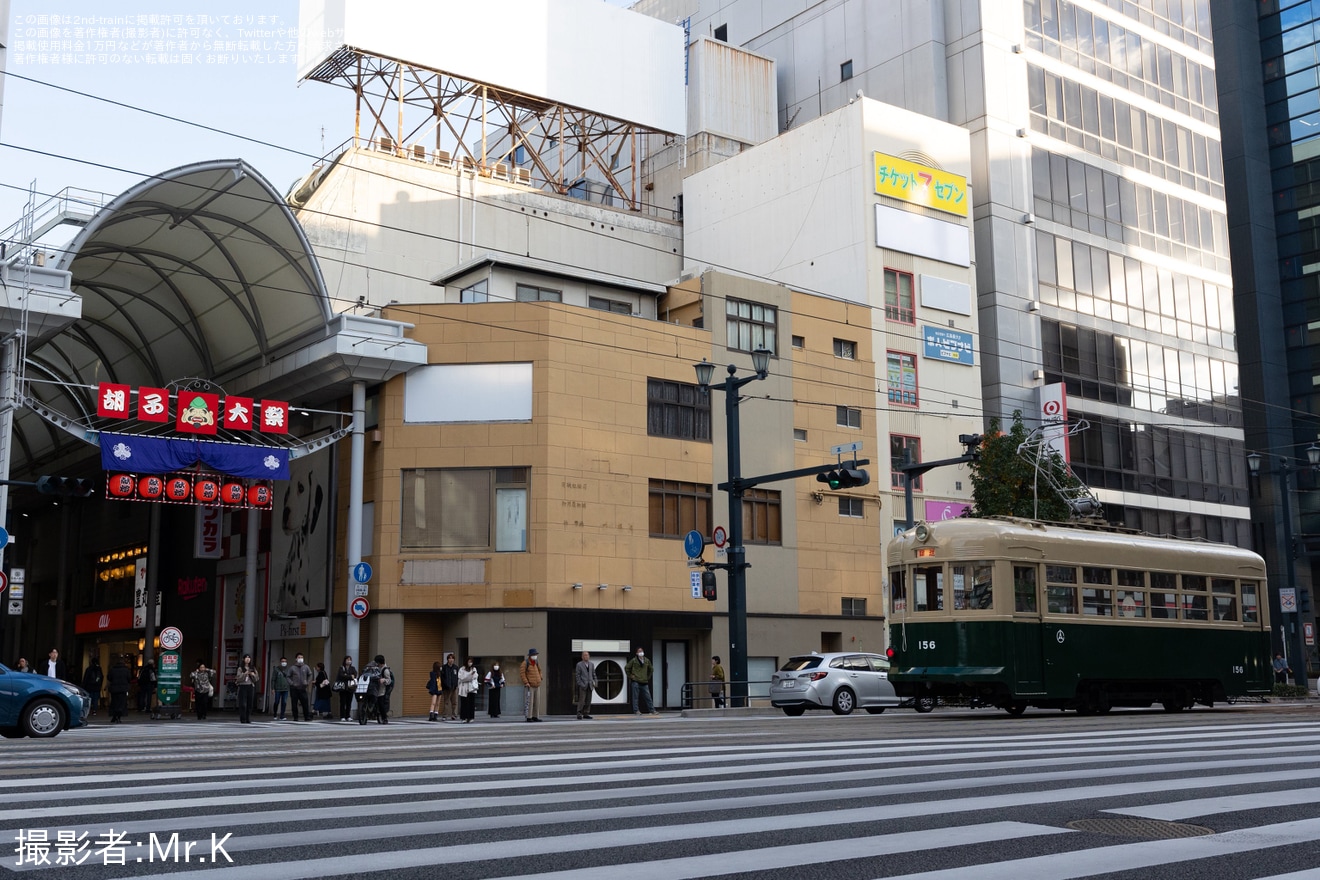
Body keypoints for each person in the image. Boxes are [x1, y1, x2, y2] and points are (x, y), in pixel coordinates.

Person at [625, 646, 655, 715]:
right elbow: (627, 668)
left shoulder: (646, 660)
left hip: (644, 681)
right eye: (639, 651)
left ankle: (652, 710)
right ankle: (636, 710)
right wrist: (630, 676)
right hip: (636, 681)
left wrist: (648, 677)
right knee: (635, 697)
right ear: (636, 653)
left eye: (641, 651)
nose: (641, 652)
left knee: (648, 697)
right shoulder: (633, 660)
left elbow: (651, 669)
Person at [286, 653, 315, 722]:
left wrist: (307, 682)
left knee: (305, 703)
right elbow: (288, 676)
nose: (300, 659)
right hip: (294, 688)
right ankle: (295, 717)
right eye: (299, 657)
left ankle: (306, 716)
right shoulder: (292, 668)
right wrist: (292, 683)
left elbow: (310, 674)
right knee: (294, 703)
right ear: (296, 659)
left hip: (303, 688)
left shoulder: (306, 667)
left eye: (301, 657)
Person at [234, 654, 259, 724]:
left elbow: (257, 678)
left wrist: (253, 675)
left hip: (250, 686)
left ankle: (248, 718)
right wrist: (245, 674)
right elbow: (238, 678)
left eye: (249, 658)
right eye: (246, 658)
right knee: (243, 704)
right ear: (243, 659)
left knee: (250, 703)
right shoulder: (240, 668)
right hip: (243, 686)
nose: (248, 659)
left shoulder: (253, 668)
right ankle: (243, 718)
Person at [520, 648, 543, 722]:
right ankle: (529, 716)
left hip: (537, 684)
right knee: (530, 701)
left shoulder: (536, 662)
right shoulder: (525, 663)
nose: (535, 656)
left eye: (536, 654)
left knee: (537, 701)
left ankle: (535, 716)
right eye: (534, 655)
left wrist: (540, 677)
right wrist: (526, 682)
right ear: (530, 655)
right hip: (530, 685)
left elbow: (540, 670)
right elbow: (522, 673)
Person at [107, 655, 132, 723]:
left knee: (114, 702)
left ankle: (114, 716)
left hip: (114, 689)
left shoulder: (113, 669)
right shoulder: (126, 670)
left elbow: (109, 678)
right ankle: (119, 716)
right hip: (123, 689)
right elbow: (129, 678)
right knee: (122, 702)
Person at [371, 654, 394, 724]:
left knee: (381, 704)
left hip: (382, 690)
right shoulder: (376, 667)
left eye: (377, 662)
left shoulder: (385, 670)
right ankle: (375, 714)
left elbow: (389, 680)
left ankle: (384, 718)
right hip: (376, 688)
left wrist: (383, 680)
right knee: (376, 702)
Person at [575, 651, 597, 720]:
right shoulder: (579, 664)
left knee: (588, 700)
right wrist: (580, 683)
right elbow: (577, 675)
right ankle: (579, 713)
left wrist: (595, 682)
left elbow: (593, 674)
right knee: (582, 700)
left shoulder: (591, 664)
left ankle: (586, 713)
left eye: (587, 655)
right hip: (583, 685)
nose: (586, 657)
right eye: (584, 655)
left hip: (590, 684)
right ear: (582, 657)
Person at [335, 656, 358, 722]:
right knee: (343, 702)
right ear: (345, 660)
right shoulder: (341, 668)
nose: (349, 661)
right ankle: (342, 716)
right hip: (343, 687)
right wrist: (350, 676)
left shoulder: (352, 668)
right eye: (347, 660)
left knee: (349, 702)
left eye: (350, 660)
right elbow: (341, 676)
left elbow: (355, 675)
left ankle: (348, 715)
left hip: (350, 687)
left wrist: (347, 676)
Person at [457, 658, 480, 723]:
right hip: (464, 688)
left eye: (471, 662)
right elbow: (461, 678)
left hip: (471, 688)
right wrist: (469, 676)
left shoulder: (474, 669)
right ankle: (464, 717)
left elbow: (475, 676)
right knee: (464, 703)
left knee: (471, 703)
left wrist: (469, 677)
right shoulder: (462, 669)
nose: (470, 663)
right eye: (469, 662)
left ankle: (471, 717)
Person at [440, 653, 460, 721]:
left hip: (454, 687)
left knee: (454, 702)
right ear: (447, 659)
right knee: (446, 702)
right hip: (446, 688)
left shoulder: (456, 668)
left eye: (452, 658)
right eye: (450, 658)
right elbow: (442, 678)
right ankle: (445, 715)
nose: (451, 660)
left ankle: (454, 715)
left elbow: (457, 677)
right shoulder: (444, 667)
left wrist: (455, 685)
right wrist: (445, 685)